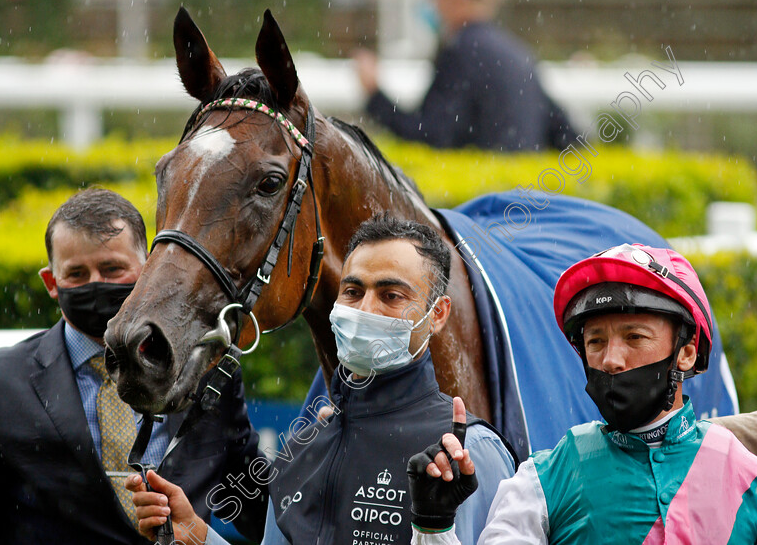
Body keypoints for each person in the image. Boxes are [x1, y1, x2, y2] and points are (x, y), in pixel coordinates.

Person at [127, 214, 516, 545]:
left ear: (438, 314)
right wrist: (195, 533)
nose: (366, 310)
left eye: (392, 295)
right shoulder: (302, 446)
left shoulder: (465, 452)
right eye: (353, 291)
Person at [0, 188, 267, 544]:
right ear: (51, 282)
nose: (96, 284)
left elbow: (257, 504)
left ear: (149, 267)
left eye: (112, 269)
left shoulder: (208, 370)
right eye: (76, 274)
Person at [408, 243, 757, 544]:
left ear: (687, 351)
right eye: (596, 341)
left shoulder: (756, 483)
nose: (611, 360)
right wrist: (433, 527)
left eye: (635, 337)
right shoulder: (542, 480)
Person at [355, 0, 572, 152]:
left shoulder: (461, 53)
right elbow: (566, 135)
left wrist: (375, 95)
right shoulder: (517, 52)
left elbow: (431, 135)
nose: (432, 3)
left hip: (484, 204)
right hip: (524, 200)